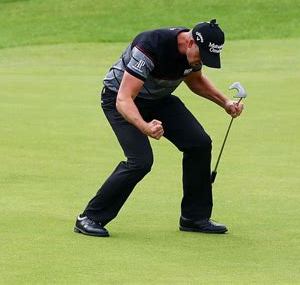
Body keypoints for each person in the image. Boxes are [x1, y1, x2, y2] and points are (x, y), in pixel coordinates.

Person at [74, 19, 244, 237]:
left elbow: (196, 81)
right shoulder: (150, 46)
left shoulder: (193, 53)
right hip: (120, 100)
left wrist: (226, 103)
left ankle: (194, 217)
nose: (201, 62)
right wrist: (144, 127)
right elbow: (124, 99)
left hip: (159, 99)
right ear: (191, 42)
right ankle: (89, 217)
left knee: (199, 144)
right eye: (202, 56)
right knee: (140, 161)